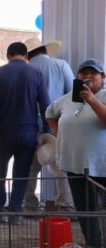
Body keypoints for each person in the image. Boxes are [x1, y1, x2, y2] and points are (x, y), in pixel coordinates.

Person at [46, 59, 106, 248]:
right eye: (83, 74)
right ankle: (95, 247)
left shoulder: (103, 96)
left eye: (93, 74)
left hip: (102, 164)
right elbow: (50, 113)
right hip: (76, 163)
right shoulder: (67, 99)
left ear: (102, 78)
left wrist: (92, 100)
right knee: (84, 209)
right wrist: (60, 134)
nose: (87, 77)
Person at [0, 42, 50, 224]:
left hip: (3, 132)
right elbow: (45, 103)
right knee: (21, 173)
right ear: (26, 55)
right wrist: (47, 129)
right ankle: (15, 212)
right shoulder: (36, 73)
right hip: (29, 132)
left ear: (8, 55)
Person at [23, 37, 75, 213]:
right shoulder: (60, 65)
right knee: (61, 166)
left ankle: (29, 205)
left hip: (29, 124)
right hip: (56, 123)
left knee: (31, 167)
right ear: (44, 50)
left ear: (28, 55)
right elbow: (73, 94)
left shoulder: (26, 70)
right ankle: (65, 204)